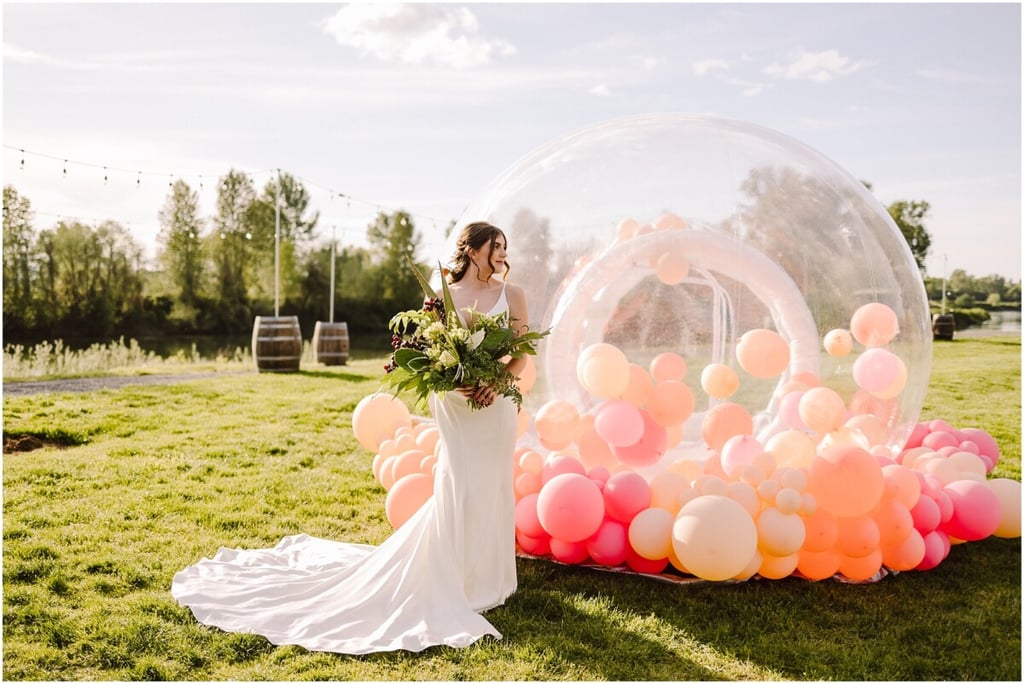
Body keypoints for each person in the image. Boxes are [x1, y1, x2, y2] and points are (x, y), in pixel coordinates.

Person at [171, 221, 528, 655]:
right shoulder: (441, 297)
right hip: (455, 404)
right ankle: (455, 575)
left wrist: (495, 382)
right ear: (472, 251)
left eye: (504, 247)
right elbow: (428, 353)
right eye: (495, 246)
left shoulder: (514, 294)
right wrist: (455, 384)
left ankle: (491, 580)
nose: (501, 253)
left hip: (496, 405)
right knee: (461, 483)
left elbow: (524, 352)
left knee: (491, 484)